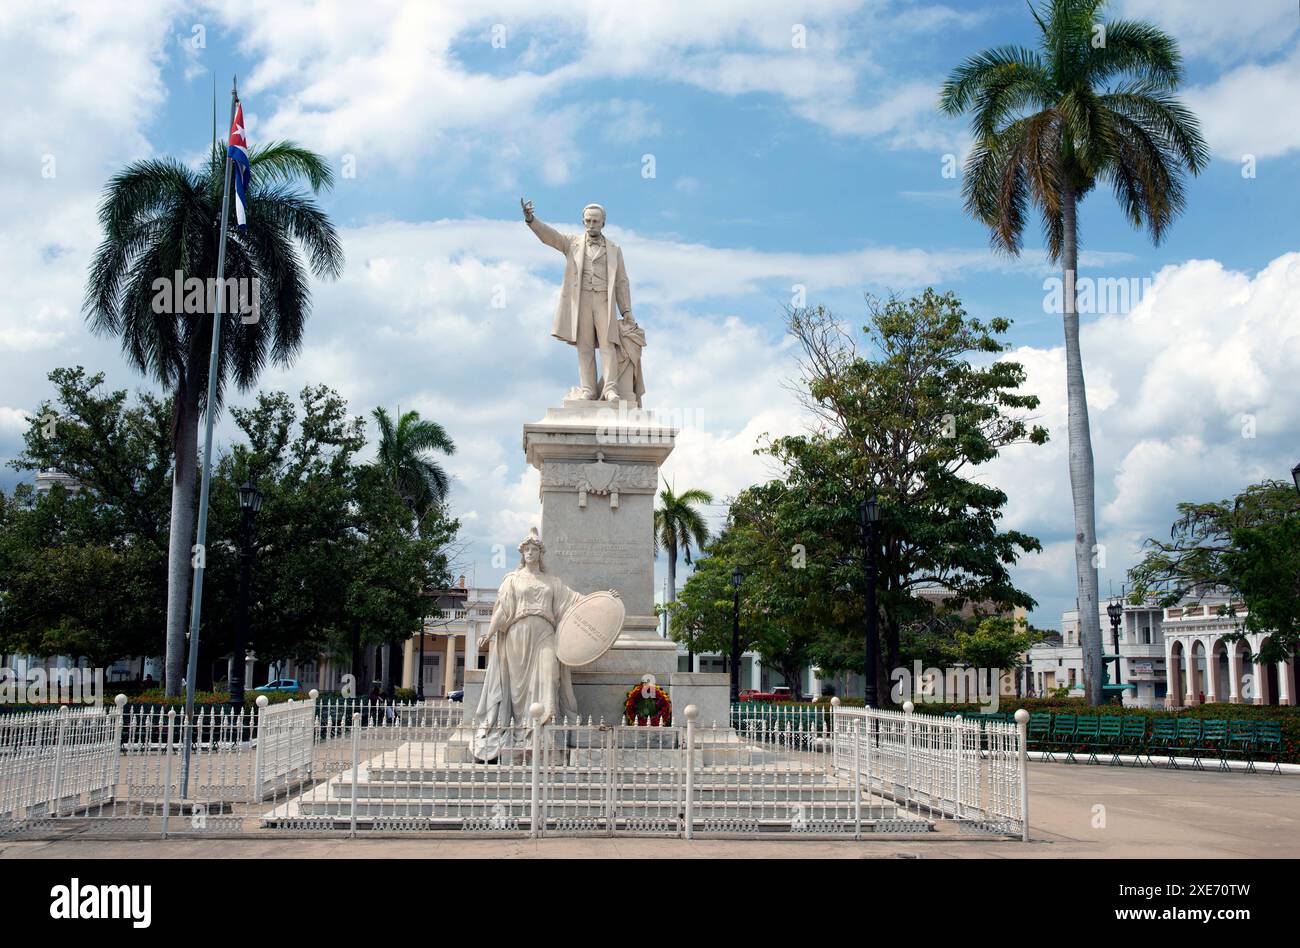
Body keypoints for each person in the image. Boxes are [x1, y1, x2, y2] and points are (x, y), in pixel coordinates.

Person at [470, 529, 583, 762]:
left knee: (550, 677)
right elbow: (503, 610)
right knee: (518, 690)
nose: (531, 553)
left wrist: (605, 601)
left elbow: (576, 602)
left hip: (545, 632)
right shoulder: (512, 580)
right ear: (522, 554)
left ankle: (545, 735)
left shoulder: (552, 582)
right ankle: (521, 732)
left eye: (535, 550)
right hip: (517, 635)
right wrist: (489, 633)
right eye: (527, 550)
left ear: (541, 554)